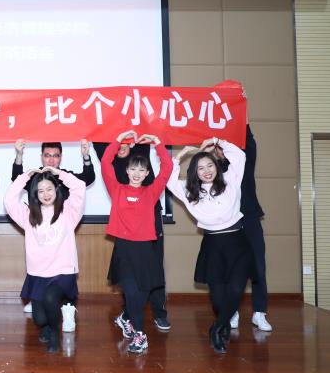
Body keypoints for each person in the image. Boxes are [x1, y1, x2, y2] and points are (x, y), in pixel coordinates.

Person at [167, 137, 254, 354]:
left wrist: (218, 141)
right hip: (213, 245)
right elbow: (167, 178)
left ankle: (217, 328)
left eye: (210, 165)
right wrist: (182, 154)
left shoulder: (231, 179)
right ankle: (222, 325)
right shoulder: (189, 190)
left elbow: (239, 156)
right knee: (218, 298)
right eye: (200, 168)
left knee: (236, 290)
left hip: (237, 242)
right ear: (194, 172)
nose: (206, 171)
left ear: (216, 166)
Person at [102, 130, 172, 355]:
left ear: (147, 173)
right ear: (127, 170)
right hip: (124, 250)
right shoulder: (117, 190)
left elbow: (167, 168)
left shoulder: (151, 193)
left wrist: (158, 143)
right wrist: (118, 139)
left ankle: (128, 320)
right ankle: (140, 335)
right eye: (133, 169)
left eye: (142, 170)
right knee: (131, 293)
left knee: (140, 296)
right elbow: (105, 162)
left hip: (144, 251)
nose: (137, 173)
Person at [4, 166, 85, 353]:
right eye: (40, 191)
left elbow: (79, 187)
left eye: (49, 189)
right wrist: (25, 177)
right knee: (40, 319)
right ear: (35, 194)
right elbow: (8, 200)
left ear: (56, 189)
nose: (46, 194)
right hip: (38, 273)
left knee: (50, 298)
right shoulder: (28, 215)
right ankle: (47, 327)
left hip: (63, 271)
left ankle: (55, 334)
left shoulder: (68, 212)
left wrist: (60, 174)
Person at [13, 138, 95, 319]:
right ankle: (39, 299)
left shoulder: (65, 177)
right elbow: (15, 181)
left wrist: (85, 156)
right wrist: (19, 156)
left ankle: (67, 308)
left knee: (63, 274)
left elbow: (87, 180)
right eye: (47, 156)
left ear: (61, 158)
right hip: (40, 232)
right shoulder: (36, 177)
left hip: (62, 232)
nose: (51, 160)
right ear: (41, 157)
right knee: (41, 280)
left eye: (55, 156)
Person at [214, 125, 273, 332]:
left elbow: (250, 143)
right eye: (219, 147)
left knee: (258, 266)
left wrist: (244, 121)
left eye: (226, 145)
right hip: (227, 223)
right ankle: (232, 312)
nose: (223, 149)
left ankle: (259, 312)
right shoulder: (214, 170)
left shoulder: (245, 161)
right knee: (229, 268)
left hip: (250, 218)